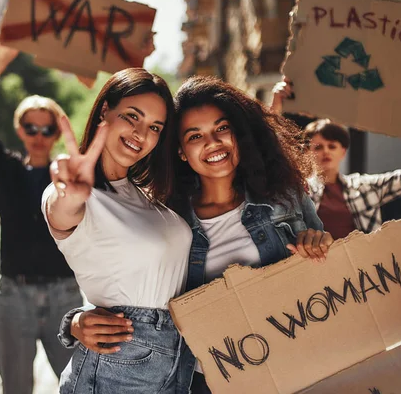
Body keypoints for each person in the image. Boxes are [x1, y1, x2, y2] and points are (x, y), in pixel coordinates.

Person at [52, 75, 334, 394]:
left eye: (222, 128)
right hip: (203, 381)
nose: (212, 143)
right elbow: (138, 282)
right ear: (182, 151)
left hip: (289, 372)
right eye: (195, 135)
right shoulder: (171, 215)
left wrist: (321, 247)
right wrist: (76, 322)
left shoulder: (286, 199)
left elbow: (330, 280)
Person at [42, 67, 191, 393]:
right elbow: (62, 212)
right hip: (118, 363)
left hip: (176, 364)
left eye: (154, 127)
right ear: (105, 109)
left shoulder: (149, 194)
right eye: (132, 117)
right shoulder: (78, 196)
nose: (141, 133)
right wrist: (71, 194)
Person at [0, 45, 83, 393]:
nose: (38, 136)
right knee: (15, 388)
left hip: (66, 297)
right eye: (31, 127)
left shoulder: (73, 176)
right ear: (20, 130)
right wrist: (0, 61)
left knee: (80, 385)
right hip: (13, 296)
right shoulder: (7, 169)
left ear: (56, 133)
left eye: (47, 129)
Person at [272, 78, 401, 239]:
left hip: (361, 263)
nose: (325, 151)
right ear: (306, 152)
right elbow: (269, 163)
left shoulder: (365, 188)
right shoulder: (298, 190)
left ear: (343, 151)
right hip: (315, 263)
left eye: (332, 146)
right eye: (318, 147)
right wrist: (275, 109)